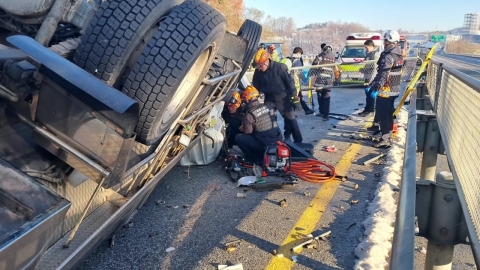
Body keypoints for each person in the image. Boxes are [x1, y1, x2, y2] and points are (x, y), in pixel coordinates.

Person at [252, 48, 303, 143]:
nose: (259, 67)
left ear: (267, 61)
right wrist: (253, 100)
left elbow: (290, 83)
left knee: (291, 120)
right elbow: (256, 88)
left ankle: (298, 141)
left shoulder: (280, 68)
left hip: (283, 99)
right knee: (268, 121)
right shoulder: (258, 72)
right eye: (258, 65)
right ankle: (273, 140)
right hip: (269, 99)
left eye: (261, 65)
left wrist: (295, 97)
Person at [367, 30, 404, 148]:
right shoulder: (398, 54)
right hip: (395, 89)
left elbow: (383, 74)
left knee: (383, 114)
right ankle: (386, 135)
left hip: (386, 90)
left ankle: (385, 138)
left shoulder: (388, 56)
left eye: (385, 40)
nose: (384, 42)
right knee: (388, 113)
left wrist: (376, 87)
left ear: (388, 41)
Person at [235, 86, 283, 164]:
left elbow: (248, 133)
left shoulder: (249, 115)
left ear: (247, 99)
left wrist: (244, 126)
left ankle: (253, 158)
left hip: (265, 145)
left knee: (239, 138)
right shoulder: (269, 107)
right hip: (278, 141)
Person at [311, 43, 336, 121]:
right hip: (329, 79)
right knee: (327, 96)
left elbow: (314, 64)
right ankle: (326, 114)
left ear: (323, 49)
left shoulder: (320, 55)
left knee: (320, 95)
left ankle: (321, 112)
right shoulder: (333, 56)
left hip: (320, 79)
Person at [359, 39, 381, 117]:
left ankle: (370, 109)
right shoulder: (368, 54)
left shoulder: (375, 55)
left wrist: (371, 79)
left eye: (367, 47)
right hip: (367, 77)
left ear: (371, 46)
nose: (366, 49)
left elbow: (374, 68)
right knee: (367, 94)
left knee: (370, 94)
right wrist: (363, 70)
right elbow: (368, 66)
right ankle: (367, 108)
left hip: (371, 78)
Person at [290, 47, 315, 115]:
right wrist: (304, 79)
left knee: (298, 97)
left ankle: (306, 109)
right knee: (295, 98)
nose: (301, 55)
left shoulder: (290, 59)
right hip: (295, 83)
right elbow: (299, 72)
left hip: (290, 81)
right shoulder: (297, 61)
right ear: (298, 53)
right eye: (301, 54)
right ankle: (291, 114)